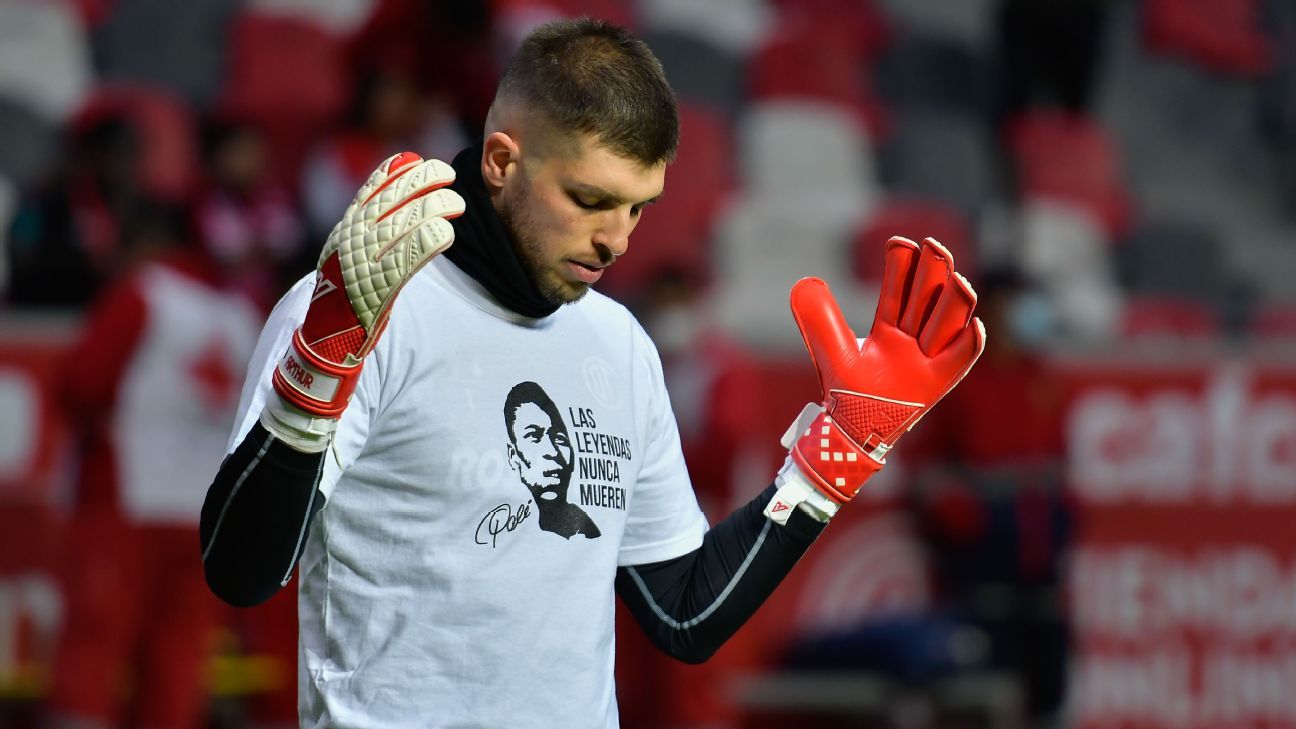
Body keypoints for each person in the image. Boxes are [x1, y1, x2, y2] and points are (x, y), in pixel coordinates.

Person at [199, 18, 985, 728]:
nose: (617, 240)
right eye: (590, 198)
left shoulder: (620, 344)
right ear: (502, 161)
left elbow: (683, 614)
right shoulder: (363, 312)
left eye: (638, 207)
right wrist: (320, 363)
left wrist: (839, 450)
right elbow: (239, 572)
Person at [47, 201, 262, 729]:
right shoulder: (242, 318)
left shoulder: (143, 295)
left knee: (93, 650)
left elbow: (81, 384)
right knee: (178, 662)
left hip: (126, 500)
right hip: (203, 516)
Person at [501, 380, 601, 541]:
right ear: (513, 456)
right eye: (534, 436)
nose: (553, 452)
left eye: (559, 438)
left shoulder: (585, 529)